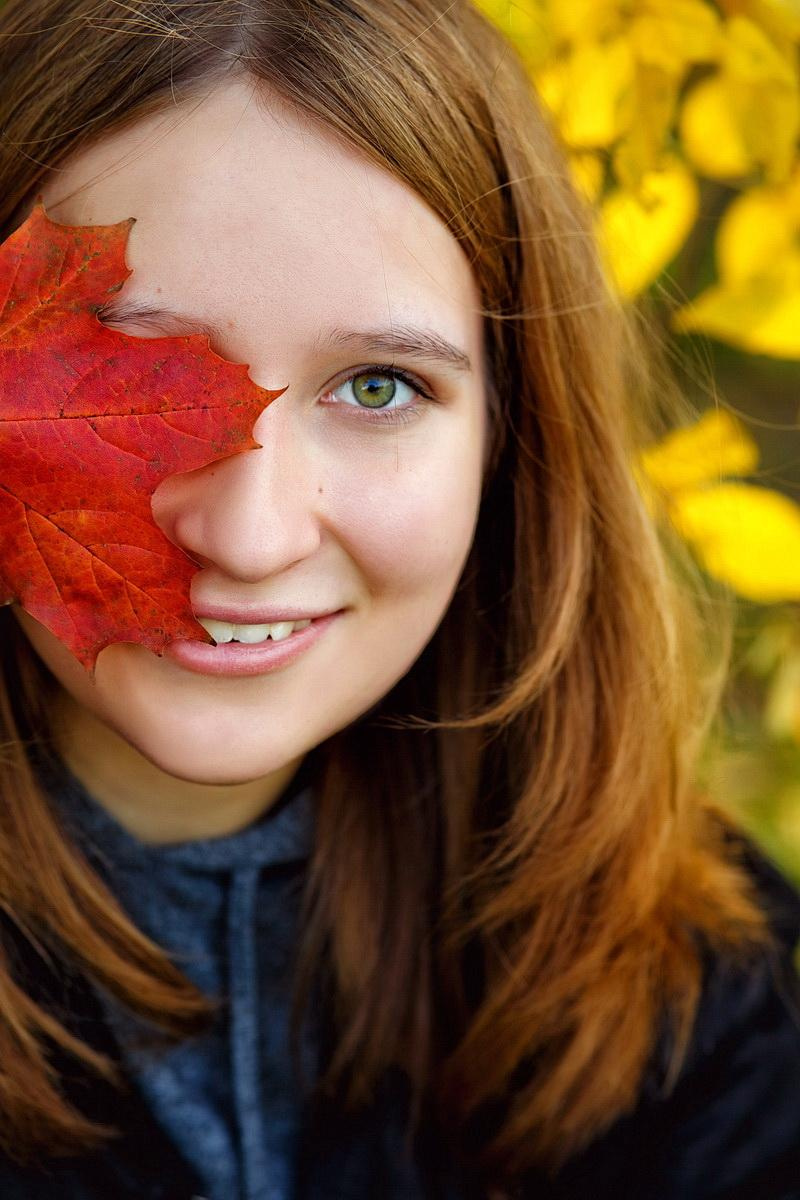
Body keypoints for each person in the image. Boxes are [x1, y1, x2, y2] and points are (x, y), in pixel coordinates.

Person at [0, 2, 798, 1198]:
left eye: (376, 386)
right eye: (130, 374)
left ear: (507, 438)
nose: (252, 533)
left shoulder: (708, 984)